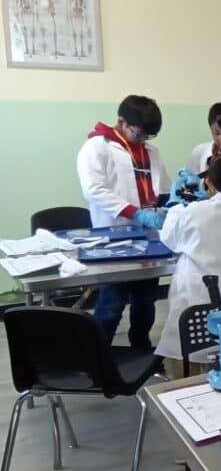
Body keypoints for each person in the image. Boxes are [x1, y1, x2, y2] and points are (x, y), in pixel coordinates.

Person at [77, 95, 171, 348]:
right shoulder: (98, 146)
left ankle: (141, 350)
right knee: (111, 303)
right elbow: (94, 190)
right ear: (121, 121)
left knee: (145, 301)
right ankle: (98, 356)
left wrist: (177, 195)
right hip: (113, 237)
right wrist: (134, 212)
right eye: (139, 133)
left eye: (148, 136)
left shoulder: (150, 151)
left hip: (149, 239)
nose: (143, 140)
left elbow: (162, 188)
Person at [155, 153, 221, 368]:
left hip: (194, 296)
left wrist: (175, 206)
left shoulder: (194, 211)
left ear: (208, 182)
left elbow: (170, 240)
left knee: (186, 353)